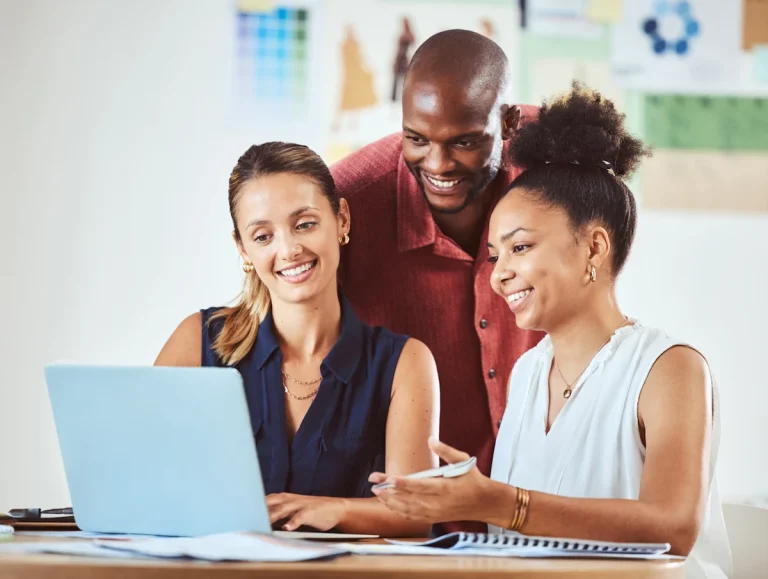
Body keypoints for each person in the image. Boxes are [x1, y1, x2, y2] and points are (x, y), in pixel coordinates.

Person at [369, 84, 731, 578]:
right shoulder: (527, 373)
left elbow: (673, 527)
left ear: (594, 249)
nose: (498, 275)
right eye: (495, 256)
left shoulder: (669, 368)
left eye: (520, 248)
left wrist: (502, 502)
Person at [155, 142, 439, 537]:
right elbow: (142, 483)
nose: (288, 250)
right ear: (243, 249)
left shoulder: (403, 362)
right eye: (263, 235)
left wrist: (331, 510)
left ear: (341, 220)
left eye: (304, 224)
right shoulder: (197, 342)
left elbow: (417, 516)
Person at [331, 29, 544, 532]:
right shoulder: (348, 206)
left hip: (548, 515)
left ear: (508, 122)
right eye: (417, 139)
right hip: (407, 528)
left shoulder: (557, 161)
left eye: (466, 142)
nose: (439, 164)